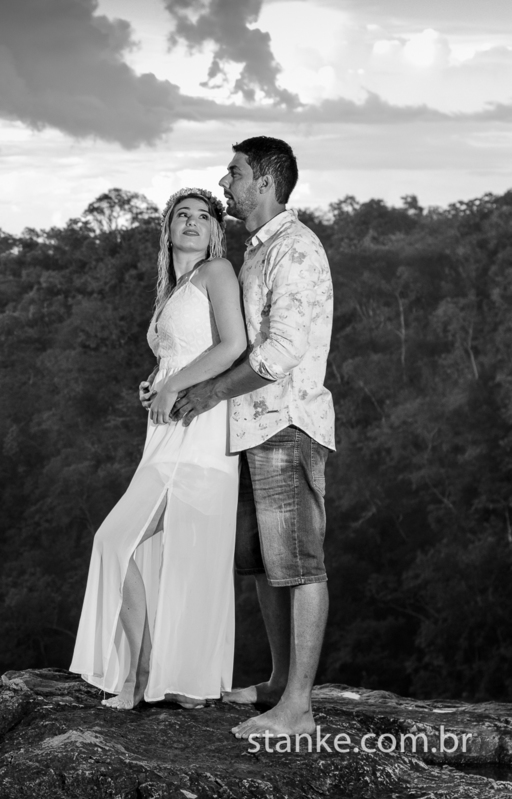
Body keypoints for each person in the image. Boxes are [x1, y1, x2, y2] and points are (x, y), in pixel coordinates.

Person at [172, 136, 335, 739]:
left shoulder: (294, 248)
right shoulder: (255, 253)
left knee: (299, 564)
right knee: (263, 563)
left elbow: (285, 349)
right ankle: (277, 682)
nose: (224, 183)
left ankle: (299, 709)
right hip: (249, 428)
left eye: (235, 173)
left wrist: (212, 392)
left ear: (265, 183)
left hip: (287, 424)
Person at [69, 187, 247, 709]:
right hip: (165, 432)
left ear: (216, 230)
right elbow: (177, 354)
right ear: (167, 229)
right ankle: (158, 674)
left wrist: (174, 387)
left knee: (116, 541)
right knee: (141, 550)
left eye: (203, 216)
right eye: (182, 216)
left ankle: (146, 675)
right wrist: (155, 382)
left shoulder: (217, 273)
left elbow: (233, 345)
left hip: (200, 433)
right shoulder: (173, 287)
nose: (192, 223)